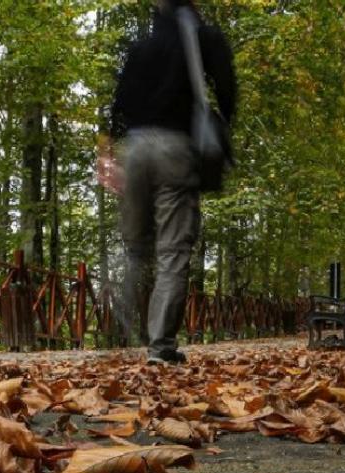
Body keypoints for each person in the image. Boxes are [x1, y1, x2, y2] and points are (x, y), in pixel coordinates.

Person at [98, 0, 237, 365]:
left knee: (135, 247)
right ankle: (159, 347)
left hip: (137, 149)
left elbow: (119, 103)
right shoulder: (204, 38)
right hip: (177, 150)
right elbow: (226, 88)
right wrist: (222, 121)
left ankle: (113, 319)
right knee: (173, 251)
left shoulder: (141, 47)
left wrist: (107, 154)